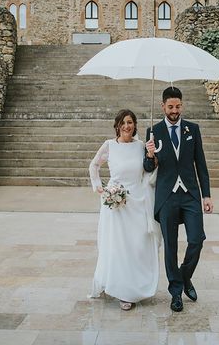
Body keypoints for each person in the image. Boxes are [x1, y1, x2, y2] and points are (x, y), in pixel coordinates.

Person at [144, 86, 213, 312]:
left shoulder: (193, 129)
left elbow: (200, 164)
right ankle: (176, 293)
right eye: (170, 106)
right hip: (167, 197)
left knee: (197, 239)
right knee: (171, 247)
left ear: (182, 105)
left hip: (190, 195)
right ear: (163, 106)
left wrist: (206, 195)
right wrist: (150, 154)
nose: (175, 110)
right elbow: (147, 168)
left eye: (178, 106)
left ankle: (184, 276)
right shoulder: (153, 132)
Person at [88, 109, 160, 310]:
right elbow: (93, 166)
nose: (127, 126)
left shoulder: (140, 146)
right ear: (117, 126)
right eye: (123, 122)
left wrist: (151, 155)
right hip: (116, 206)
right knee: (118, 247)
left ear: (135, 125)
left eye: (130, 122)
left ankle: (137, 284)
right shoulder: (109, 146)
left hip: (137, 203)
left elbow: (148, 169)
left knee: (137, 246)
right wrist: (100, 187)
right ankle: (123, 292)